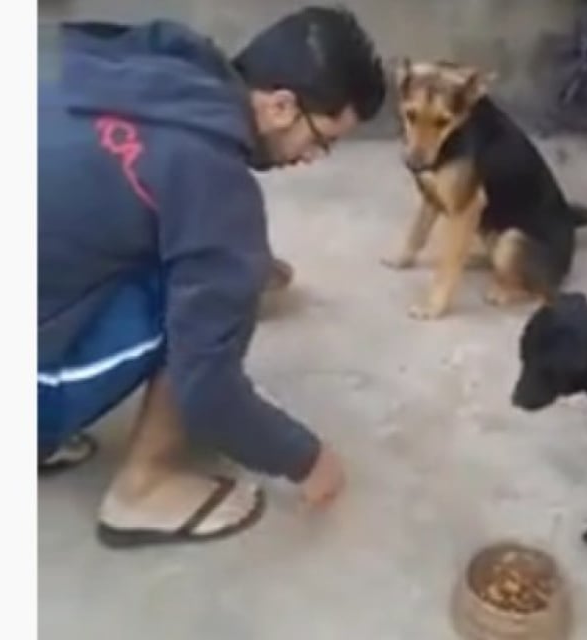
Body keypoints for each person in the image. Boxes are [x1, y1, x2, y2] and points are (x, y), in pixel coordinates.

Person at [38, 6, 387, 548]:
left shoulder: (145, 65)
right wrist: (306, 458)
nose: (317, 157)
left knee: (214, 264)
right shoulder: (213, 182)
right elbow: (208, 387)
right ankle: (143, 490)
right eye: (324, 139)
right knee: (209, 307)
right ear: (280, 106)